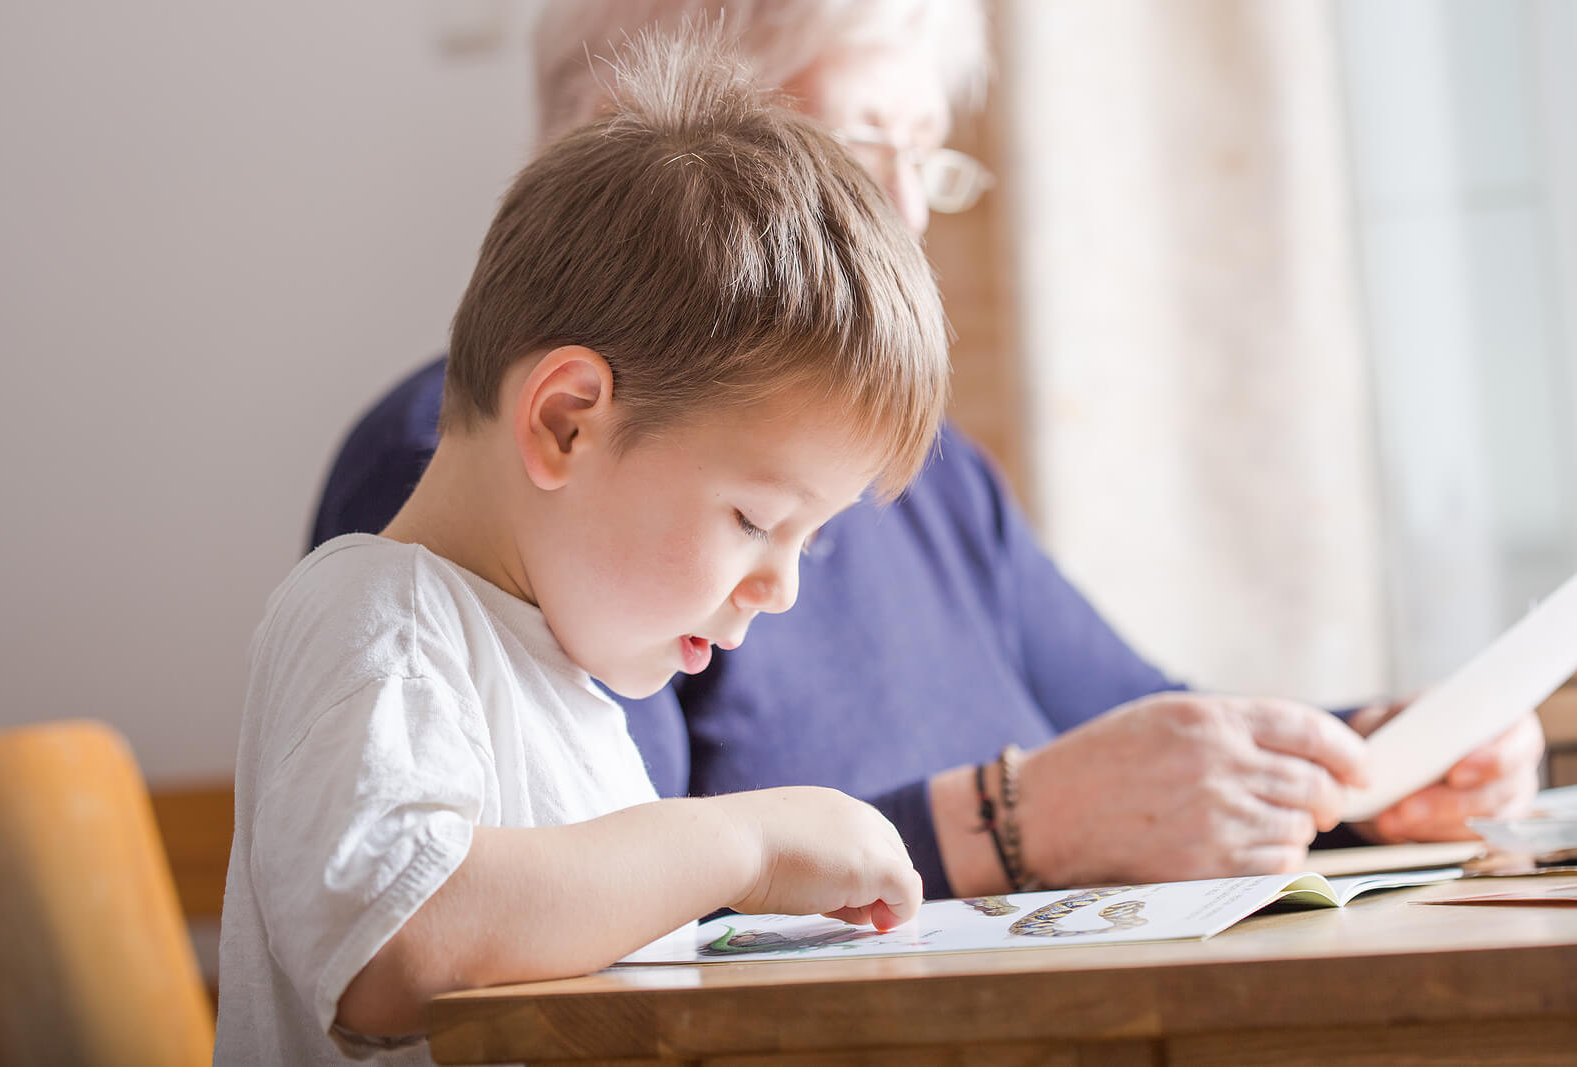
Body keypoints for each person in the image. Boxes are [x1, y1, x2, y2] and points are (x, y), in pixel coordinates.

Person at [310, 0, 1544, 903]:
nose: (900, 219)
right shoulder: (474, 487)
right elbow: (586, 903)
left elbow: (1142, 726)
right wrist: (1005, 822)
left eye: (926, 161)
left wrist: (1374, 766)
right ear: (643, 152)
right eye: (851, 155)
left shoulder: (931, 477)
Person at [218, 27, 947, 1062]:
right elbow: (394, 942)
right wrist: (742, 843)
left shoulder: (570, 693)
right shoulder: (383, 620)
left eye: (808, 540)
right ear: (566, 422)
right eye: (754, 521)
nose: (781, 588)